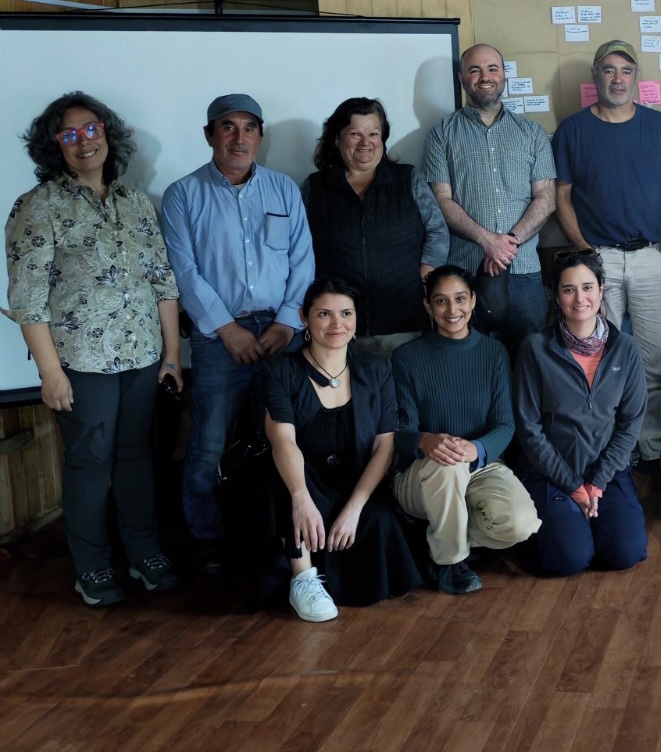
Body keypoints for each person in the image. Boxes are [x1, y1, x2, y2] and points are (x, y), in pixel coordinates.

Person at [4, 92, 182, 606]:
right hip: (82, 364)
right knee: (90, 463)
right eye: (69, 134)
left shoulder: (132, 201)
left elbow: (162, 283)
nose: (83, 141)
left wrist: (171, 357)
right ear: (53, 145)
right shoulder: (38, 207)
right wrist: (50, 373)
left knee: (136, 458)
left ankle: (145, 554)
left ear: (107, 134)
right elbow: (28, 302)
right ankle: (93, 567)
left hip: (143, 356)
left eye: (91, 129)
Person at [161, 94, 315, 573]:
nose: (239, 138)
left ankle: (285, 530)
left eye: (249, 128)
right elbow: (182, 271)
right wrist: (227, 330)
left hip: (281, 332)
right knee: (209, 438)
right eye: (228, 127)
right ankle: (207, 537)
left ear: (260, 137)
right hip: (217, 336)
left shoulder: (284, 190)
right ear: (209, 135)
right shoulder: (182, 194)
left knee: (290, 434)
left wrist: (288, 321)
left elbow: (302, 259)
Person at [553, 39, 661, 464]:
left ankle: (651, 447)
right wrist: (585, 254)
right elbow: (561, 198)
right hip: (601, 261)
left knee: (653, 362)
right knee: (601, 359)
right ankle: (611, 449)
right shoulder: (573, 131)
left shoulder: (659, 126)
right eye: (609, 70)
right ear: (596, 77)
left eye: (626, 70)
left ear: (637, 78)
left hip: (652, 256)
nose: (618, 78)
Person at [258, 278, 423, 621]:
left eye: (346, 313)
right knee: (284, 486)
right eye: (324, 314)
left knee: (378, 520)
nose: (337, 324)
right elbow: (283, 440)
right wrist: (302, 498)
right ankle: (302, 577)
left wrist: (355, 507)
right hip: (300, 479)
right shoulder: (280, 370)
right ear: (304, 317)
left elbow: (384, 445)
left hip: (353, 480)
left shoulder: (376, 368)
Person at [392, 265, 541, 595]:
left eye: (460, 299)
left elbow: (505, 424)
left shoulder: (494, 353)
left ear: (473, 300)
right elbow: (396, 433)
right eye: (441, 301)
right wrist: (425, 440)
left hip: (480, 465)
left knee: (521, 524)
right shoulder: (407, 357)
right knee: (448, 465)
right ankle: (448, 563)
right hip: (421, 473)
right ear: (428, 306)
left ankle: (439, 535)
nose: (452, 310)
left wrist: (477, 449)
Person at [513, 249, 648, 576]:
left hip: (607, 473)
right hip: (551, 473)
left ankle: (585, 522)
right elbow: (529, 429)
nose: (579, 298)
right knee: (569, 559)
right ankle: (564, 527)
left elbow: (630, 425)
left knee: (625, 552)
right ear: (556, 296)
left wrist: (597, 483)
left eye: (588, 287)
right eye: (568, 289)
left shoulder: (625, 348)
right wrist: (573, 485)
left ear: (602, 290)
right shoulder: (535, 348)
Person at [423, 45, 556, 358]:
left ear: (504, 75)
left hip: (524, 271)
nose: (485, 77)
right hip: (465, 274)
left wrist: (507, 244)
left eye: (493, 69)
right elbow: (440, 200)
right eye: (474, 70)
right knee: (469, 368)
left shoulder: (533, 133)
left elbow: (546, 198)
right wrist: (487, 242)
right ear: (461, 78)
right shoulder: (441, 134)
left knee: (531, 369)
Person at [304, 97, 448, 358]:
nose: (365, 142)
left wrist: (427, 273)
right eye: (355, 134)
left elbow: (437, 231)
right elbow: (298, 247)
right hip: (339, 328)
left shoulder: (407, 178)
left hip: (404, 322)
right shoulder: (315, 188)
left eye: (373, 134)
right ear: (337, 140)